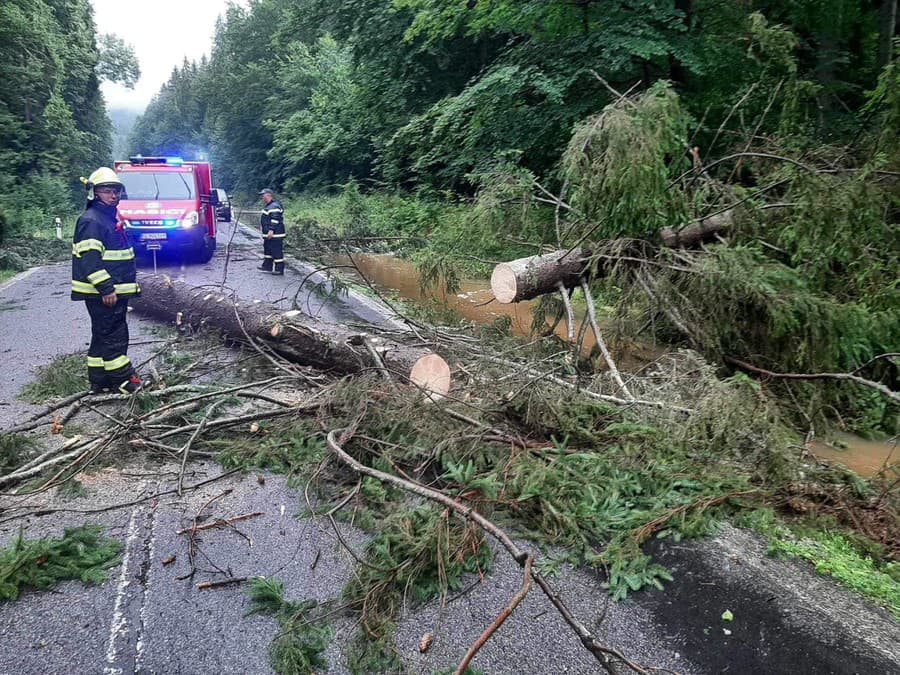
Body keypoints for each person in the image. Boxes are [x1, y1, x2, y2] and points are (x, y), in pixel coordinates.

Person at [71, 167, 143, 394]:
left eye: (116, 191)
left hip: (111, 291)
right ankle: (123, 381)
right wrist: (106, 288)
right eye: (107, 191)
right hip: (104, 293)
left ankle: (99, 379)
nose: (114, 195)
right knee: (114, 336)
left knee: (102, 335)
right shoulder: (92, 221)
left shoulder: (108, 218)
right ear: (94, 193)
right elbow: (90, 260)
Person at [257, 188, 286, 275]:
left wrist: (271, 230)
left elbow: (275, 219)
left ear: (268, 195)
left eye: (263, 195)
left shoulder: (274, 206)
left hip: (275, 234)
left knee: (276, 252)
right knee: (268, 251)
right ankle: (267, 266)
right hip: (269, 235)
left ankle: (279, 269)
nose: (262, 197)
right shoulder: (269, 206)